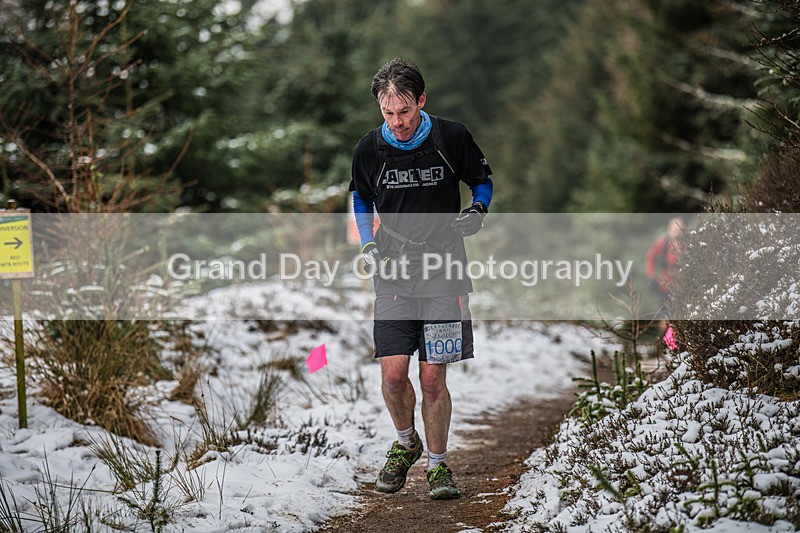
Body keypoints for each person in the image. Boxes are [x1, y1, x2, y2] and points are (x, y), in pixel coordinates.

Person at [348, 58, 493, 500]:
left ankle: (439, 466)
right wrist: (367, 245)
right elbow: (360, 196)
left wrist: (477, 212)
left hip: (445, 271)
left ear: (421, 100)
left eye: (405, 111)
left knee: (432, 380)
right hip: (393, 272)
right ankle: (405, 443)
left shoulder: (451, 137)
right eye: (389, 113)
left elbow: (481, 180)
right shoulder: (370, 148)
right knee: (393, 375)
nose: (398, 121)